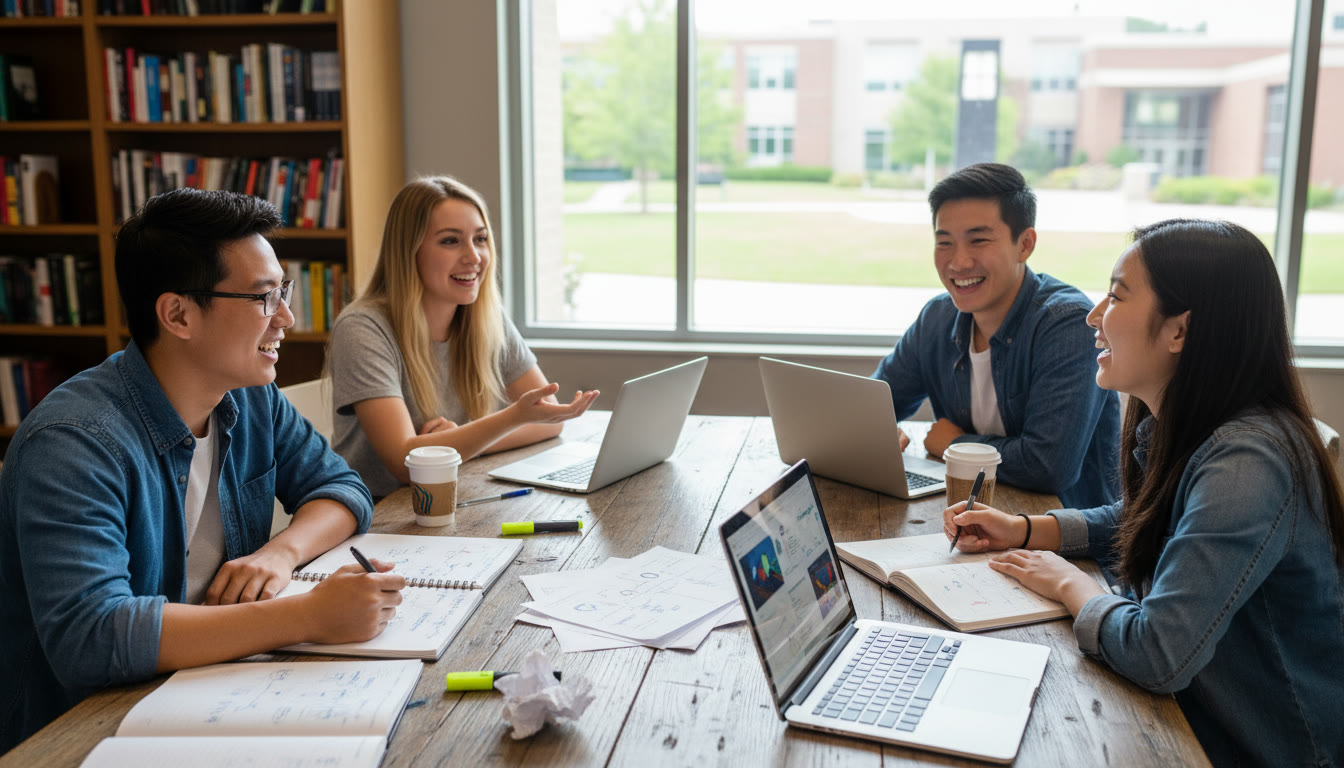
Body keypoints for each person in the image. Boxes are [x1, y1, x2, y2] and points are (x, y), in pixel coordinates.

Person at [0, 189, 406, 751]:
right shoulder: (73, 443)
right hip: (83, 733)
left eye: (282, 292)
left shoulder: (249, 396)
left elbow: (340, 487)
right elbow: (92, 636)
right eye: (265, 298)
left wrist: (280, 552)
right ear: (178, 314)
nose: (287, 317)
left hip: (207, 688)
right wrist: (306, 617)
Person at [945, 219, 1344, 766]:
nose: (1094, 316)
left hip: (1255, 746)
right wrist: (1028, 528)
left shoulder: (1247, 464)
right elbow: (1143, 517)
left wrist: (1069, 584)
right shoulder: (1190, 426)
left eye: (1115, 296)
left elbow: (1157, 653)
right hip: (1192, 716)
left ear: (1179, 331)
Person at [328, 176, 597, 497]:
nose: (474, 256)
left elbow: (548, 418)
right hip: (375, 516)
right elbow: (405, 463)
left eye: (480, 239)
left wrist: (459, 442)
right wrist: (500, 424)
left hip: (447, 498)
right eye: (450, 241)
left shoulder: (486, 318)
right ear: (408, 251)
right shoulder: (363, 328)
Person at [873, 162, 1120, 509]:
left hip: (1066, 542)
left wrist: (956, 445)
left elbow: (1049, 467)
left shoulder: (1065, 323)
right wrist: (872, 435)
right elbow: (874, 405)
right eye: (944, 242)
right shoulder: (938, 318)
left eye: (979, 240)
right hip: (973, 520)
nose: (958, 262)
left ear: (1025, 244)